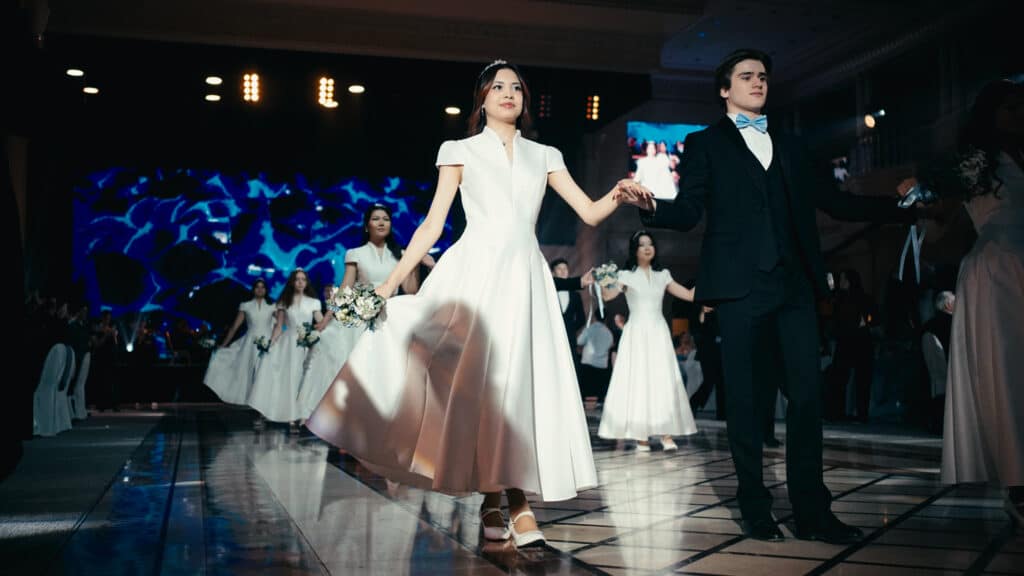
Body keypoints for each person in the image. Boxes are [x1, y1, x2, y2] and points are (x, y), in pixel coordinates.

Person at [307, 60, 647, 547]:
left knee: (517, 386)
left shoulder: (545, 155)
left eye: (517, 88)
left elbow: (590, 212)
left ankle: (500, 498)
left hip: (525, 278)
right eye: (498, 86)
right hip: (474, 273)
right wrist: (390, 285)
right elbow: (432, 225)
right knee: (482, 386)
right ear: (482, 98)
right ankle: (509, 500)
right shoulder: (458, 150)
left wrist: (619, 193)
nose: (509, 93)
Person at [622, 48, 915, 543]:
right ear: (725, 89)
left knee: (806, 397)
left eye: (762, 76)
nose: (758, 82)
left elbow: (836, 202)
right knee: (744, 400)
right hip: (738, 289)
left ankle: (813, 512)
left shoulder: (794, 146)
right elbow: (689, 211)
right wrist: (651, 208)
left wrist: (901, 207)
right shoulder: (703, 143)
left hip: (794, 286)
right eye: (746, 76)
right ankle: (755, 507)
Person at [901, 79, 1024, 524]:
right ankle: (1017, 480)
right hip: (998, 268)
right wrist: (918, 190)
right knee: (1007, 370)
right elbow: (935, 190)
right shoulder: (976, 161)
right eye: (1009, 107)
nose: (1018, 114)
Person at [297, 205, 431, 418]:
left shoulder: (401, 255)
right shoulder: (355, 254)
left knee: (388, 371)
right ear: (367, 225)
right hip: (361, 320)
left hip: (389, 319)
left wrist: (413, 263)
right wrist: (326, 320)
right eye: (376, 218)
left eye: (385, 219)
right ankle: (351, 420)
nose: (381, 222)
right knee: (360, 370)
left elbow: (410, 290)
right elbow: (344, 291)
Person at [597, 230, 698, 451]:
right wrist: (605, 279)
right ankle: (640, 435)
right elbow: (608, 296)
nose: (647, 248)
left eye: (650, 244)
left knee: (663, 379)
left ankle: (666, 433)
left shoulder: (663, 275)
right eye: (642, 244)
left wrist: (711, 283)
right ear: (635, 250)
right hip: (636, 334)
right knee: (639, 379)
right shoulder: (625, 275)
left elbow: (689, 295)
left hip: (658, 333)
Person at [248, 269, 322, 426]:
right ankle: (289, 416)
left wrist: (319, 333)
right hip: (288, 344)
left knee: (304, 378)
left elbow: (321, 324)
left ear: (307, 282)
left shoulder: (314, 302)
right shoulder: (284, 301)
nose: (300, 282)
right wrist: (271, 343)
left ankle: (301, 414)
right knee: (288, 377)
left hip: (307, 344)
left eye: (303, 279)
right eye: (297, 279)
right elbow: (279, 326)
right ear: (292, 282)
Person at [203, 279, 275, 405]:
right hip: (250, 342)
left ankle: (264, 399)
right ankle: (251, 399)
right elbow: (234, 327)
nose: (260, 289)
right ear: (253, 289)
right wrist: (224, 345)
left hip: (267, 341)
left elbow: (279, 325)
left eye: (262, 287)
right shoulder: (246, 306)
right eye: (257, 287)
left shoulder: (272, 306)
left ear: (266, 290)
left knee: (266, 369)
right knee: (248, 370)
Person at [828, 269, 876, 422]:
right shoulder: (846, 299)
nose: (840, 282)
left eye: (843, 279)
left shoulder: (843, 300)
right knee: (856, 379)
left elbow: (870, 318)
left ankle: (843, 412)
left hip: (852, 341)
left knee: (848, 378)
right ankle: (856, 413)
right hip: (856, 341)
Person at [550, 258, 585, 365]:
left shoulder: (576, 295)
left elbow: (581, 318)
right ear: (553, 273)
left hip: (570, 339)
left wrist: (570, 328)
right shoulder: (548, 292)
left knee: (571, 365)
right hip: (551, 337)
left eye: (565, 269)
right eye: (559, 269)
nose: (563, 271)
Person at [576, 314, 615, 406]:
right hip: (602, 366)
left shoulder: (590, 329)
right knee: (599, 393)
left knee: (584, 391)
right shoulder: (609, 333)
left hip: (588, 364)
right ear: (606, 319)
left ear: (595, 317)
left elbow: (579, 341)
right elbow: (611, 345)